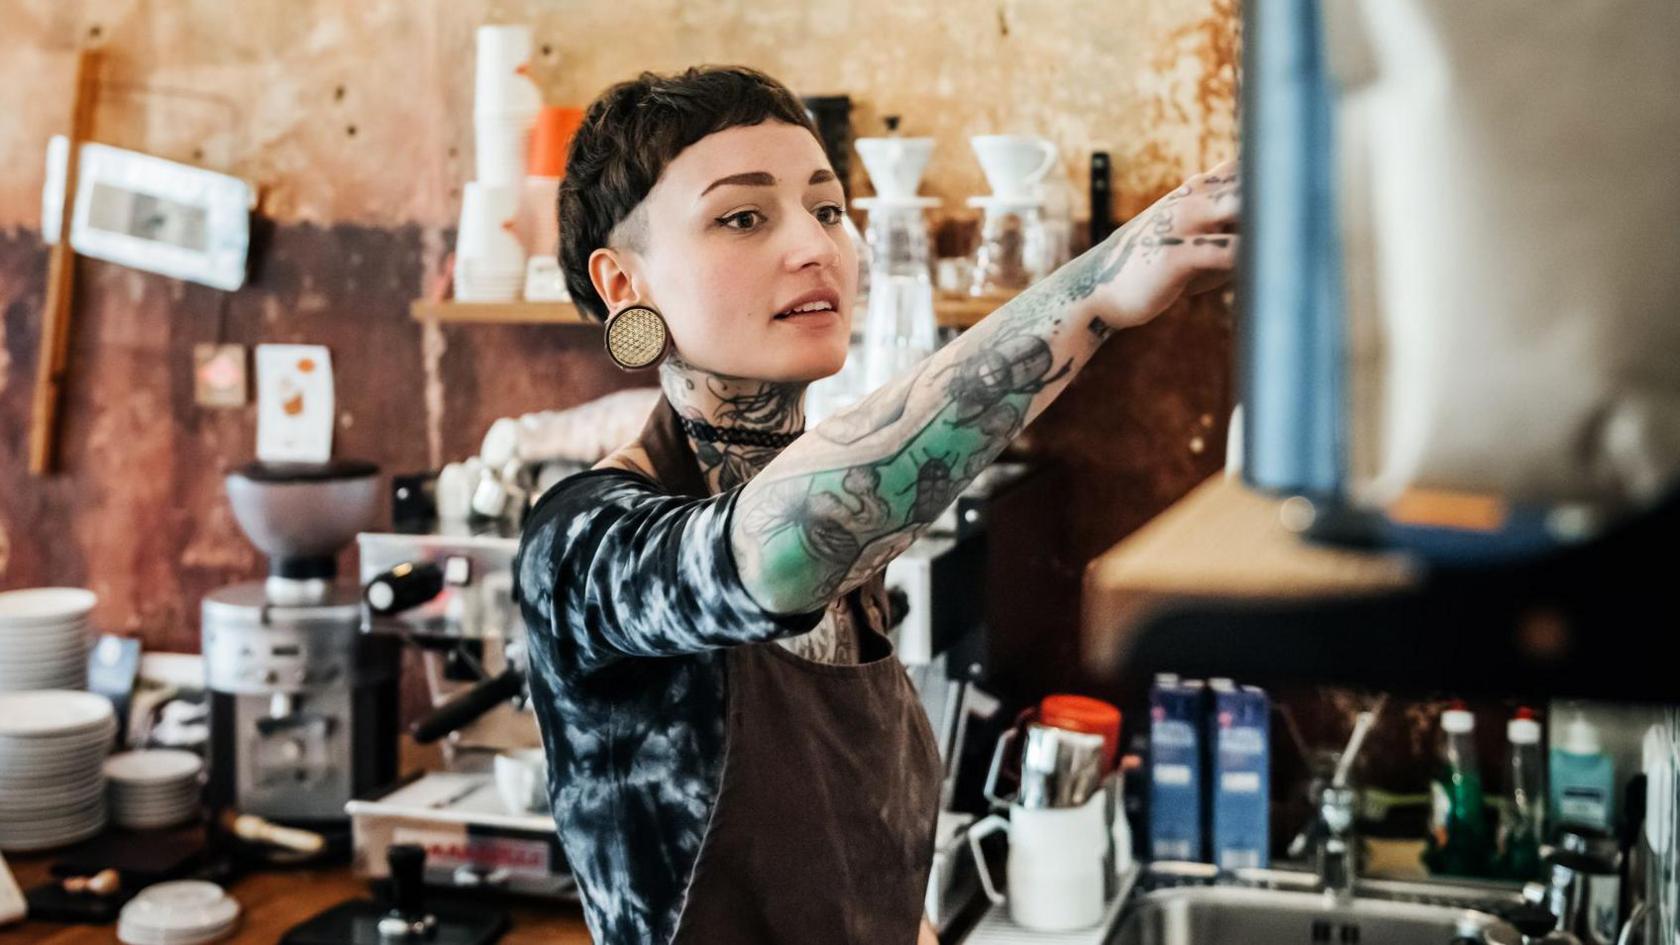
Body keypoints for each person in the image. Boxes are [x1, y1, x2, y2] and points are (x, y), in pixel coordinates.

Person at [512, 65, 1239, 945]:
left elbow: (853, 875)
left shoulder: (862, 552)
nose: (814, 245)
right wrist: (1101, 290)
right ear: (625, 285)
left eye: (827, 209)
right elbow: (782, 545)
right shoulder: (583, 542)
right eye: (743, 216)